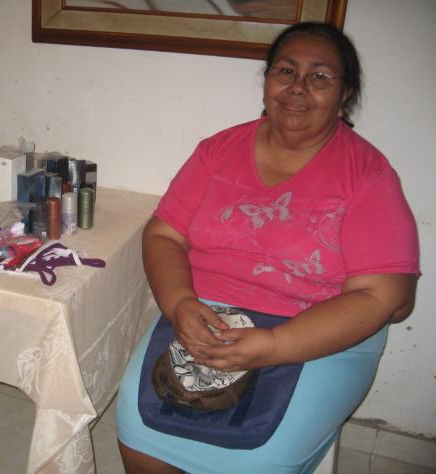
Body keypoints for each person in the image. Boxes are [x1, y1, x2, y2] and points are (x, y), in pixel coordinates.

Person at [115, 21, 420, 474]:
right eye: (285, 71)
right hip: (204, 313)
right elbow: (164, 234)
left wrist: (276, 345)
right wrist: (179, 305)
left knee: (260, 458)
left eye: (320, 76)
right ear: (267, 80)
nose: (298, 86)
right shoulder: (217, 151)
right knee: (142, 428)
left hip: (318, 330)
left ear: (345, 94)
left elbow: (385, 298)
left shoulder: (368, 175)